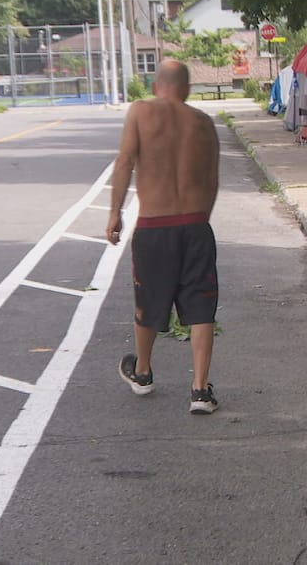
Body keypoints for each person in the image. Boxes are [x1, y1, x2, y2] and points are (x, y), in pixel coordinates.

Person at [106, 59, 222, 414]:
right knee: (201, 307)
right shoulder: (203, 124)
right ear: (186, 89)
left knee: (149, 300)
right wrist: (198, 220)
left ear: (157, 86)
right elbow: (212, 180)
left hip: (154, 228)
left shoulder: (140, 112)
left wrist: (114, 214)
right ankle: (200, 391)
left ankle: (142, 372)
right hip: (196, 224)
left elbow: (125, 161)